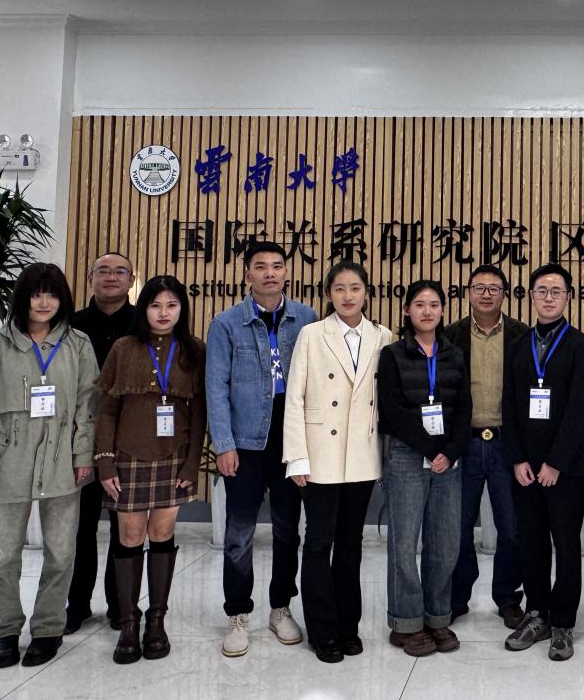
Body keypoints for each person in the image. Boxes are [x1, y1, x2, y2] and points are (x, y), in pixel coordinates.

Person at [0, 263, 98, 669]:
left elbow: (88, 407)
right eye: (36, 293)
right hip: (9, 462)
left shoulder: (78, 344)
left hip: (62, 462)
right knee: (4, 556)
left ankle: (48, 628)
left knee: (61, 553)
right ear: (22, 298)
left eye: (52, 294)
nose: (44, 302)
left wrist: (82, 456)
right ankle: (5, 630)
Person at [205, 240, 317, 657]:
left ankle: (280, 608)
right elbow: (216, 387)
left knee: (289, 530)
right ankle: (237, 613)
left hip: (291, 442)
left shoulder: (306, 318)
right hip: (245, 442)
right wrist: (224, 444)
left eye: (277, 265)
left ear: (286, 272)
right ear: (247, 273)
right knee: (239, 533)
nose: (270, 273)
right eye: (260, 266)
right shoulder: (226, 323)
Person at [283, 263, 395, 663]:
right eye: (340, 288)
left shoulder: (383, 336)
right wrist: (297, 457)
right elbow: (295, 397)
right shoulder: (312, 334)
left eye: (355, 288)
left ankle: (348, 625)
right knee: (318, 542)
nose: (348, 296)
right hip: (320, 455)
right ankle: (322, 630)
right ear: (328, 293)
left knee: (351, 544)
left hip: (362, 455)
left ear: (366, 292)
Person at [93, 275, 207, 664]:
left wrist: (192, 463)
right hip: (127, 456)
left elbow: (200, 412)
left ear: (181, 310)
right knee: (129, 534)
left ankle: (156, 621)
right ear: (143, 309)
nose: (163, 313)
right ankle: (128, 622)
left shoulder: (193, 350)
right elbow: (107, 409)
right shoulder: (124, 348)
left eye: (171, 305)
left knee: (161, 532)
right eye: (155, 305)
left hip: (174, 456)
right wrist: (105, 460)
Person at [500, 264, 584, 661]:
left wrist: (556, 462)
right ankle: (536, 613)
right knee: (531, 542)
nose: (549, 297)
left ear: (568, 297)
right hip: (526, 468)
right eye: (542, 290)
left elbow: (581, 409)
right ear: (531, 296)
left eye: (557, 291)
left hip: (565, 469)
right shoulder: (518, 345)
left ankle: (563, 623)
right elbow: (508, 405)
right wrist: (517, 459)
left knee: (566, 544)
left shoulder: (581, 346)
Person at [378, 280, 472, 657]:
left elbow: (464, 406)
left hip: (448, 459)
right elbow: (392, 409)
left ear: (443, 310)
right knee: (404, 544)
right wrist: (431, 448)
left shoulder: (454, 354)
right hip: (407, 455)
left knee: (445, 543)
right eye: (419, 304)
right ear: (407, 311)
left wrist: (450, 450)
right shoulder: (393, 354)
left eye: (434, 304)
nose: (427, 311)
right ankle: (406, 622)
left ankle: (437, 617)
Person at [449, 264, 528, 628]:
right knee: (459, 526)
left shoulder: (521, 335)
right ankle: (457, 596)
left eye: (494, 288)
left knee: (511, 528)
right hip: (463, 443)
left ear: (504, 294)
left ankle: (508, 597)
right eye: (479, 287)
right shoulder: (450, 335)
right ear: (468, 292)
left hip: (506, 444)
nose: (486, 294)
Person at [66, 251, 137, 634]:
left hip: (128, 442)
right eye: (103, 271)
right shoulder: (70, 325)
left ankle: (119, 604)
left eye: (120, 271)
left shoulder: (142, 324)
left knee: (124, 528)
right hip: (79, 440)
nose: (111, 277)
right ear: (90, 277)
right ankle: (76, 605)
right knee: (80, 528)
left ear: (131, 280)